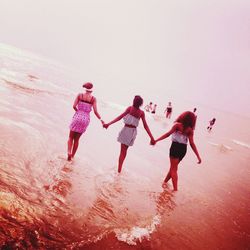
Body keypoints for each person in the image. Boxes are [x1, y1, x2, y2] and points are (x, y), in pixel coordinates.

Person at [151, 111, 201, 191]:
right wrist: (198, 156)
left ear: (183, 117)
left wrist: (156, 140)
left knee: (173, 169)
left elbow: (168, 134)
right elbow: (192, 143)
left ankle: (175, 190)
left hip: (175, 147)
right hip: (183, 149)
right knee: (173, 168)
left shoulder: (177, 125)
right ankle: (165, 182)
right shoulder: (190, 130)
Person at [103, 95, 154, 173]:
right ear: (141, 104)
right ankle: (120, 169)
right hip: (133, 132)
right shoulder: (141, 113)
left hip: (126, 130)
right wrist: (151, 137)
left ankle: (119, 170)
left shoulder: (130, 108)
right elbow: (145, 126)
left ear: (134, 101)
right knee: (125, 151)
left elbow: (119, 117)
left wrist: (108, 124)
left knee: (122, 151)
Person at [67, 82, 104, 161]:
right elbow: (95, 112)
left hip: (77, 116)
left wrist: (78, 112)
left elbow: (73, 106)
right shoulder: (93, 99)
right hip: (85, 119)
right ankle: (73, 156)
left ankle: (69, 152)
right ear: (92, 90)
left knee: (70, 137)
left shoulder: (80, 95)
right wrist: (101, 120)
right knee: (77, 140)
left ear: (85, 89)